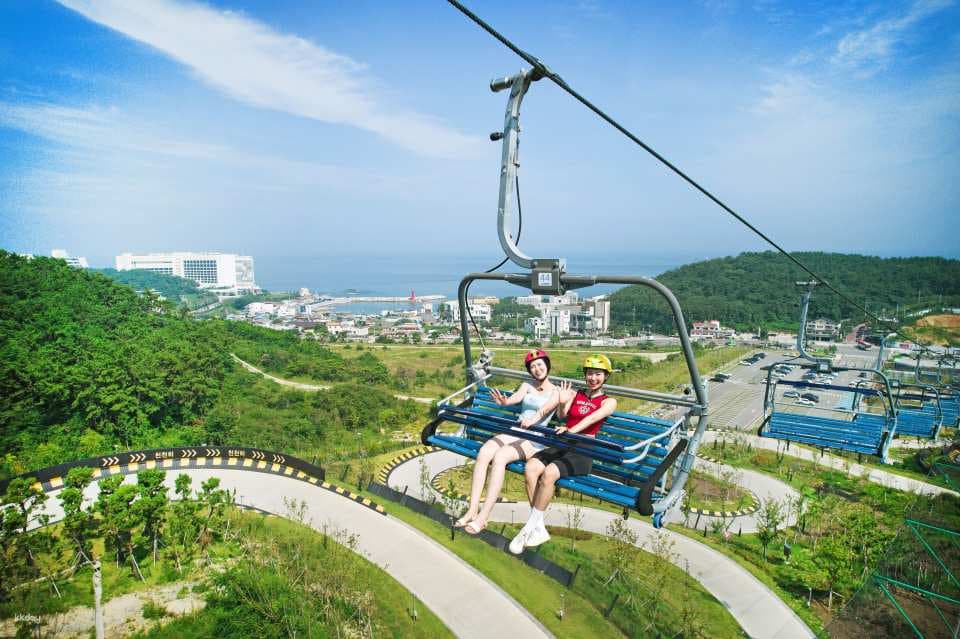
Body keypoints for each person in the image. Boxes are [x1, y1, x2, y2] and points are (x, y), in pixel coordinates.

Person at [509, 354, 617, 554]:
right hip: (564, 441)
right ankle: (538, 527)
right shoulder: (577, 394)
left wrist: (571, 430)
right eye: (590, 374)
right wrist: (562, 402)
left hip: (584, 448)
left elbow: (592, 419)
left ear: (606, 376)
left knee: (549, 473)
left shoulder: (608, 402)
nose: (593, 378)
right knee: (531, 467)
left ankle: (528, 529)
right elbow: (561, 416)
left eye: (598, 374)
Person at [455, 349, 558, 535]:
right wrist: (505, 402)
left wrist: (534, 420)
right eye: (533, 367)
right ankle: (472, 509)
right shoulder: (527, 385)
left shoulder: (556, 391)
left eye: (540, 365)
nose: (537, 369)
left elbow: (550, 411)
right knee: (485, 451)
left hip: (535, 437)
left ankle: (483, 516)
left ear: (547, 366)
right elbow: (515, 398)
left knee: (501, 456)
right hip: (517, 430)